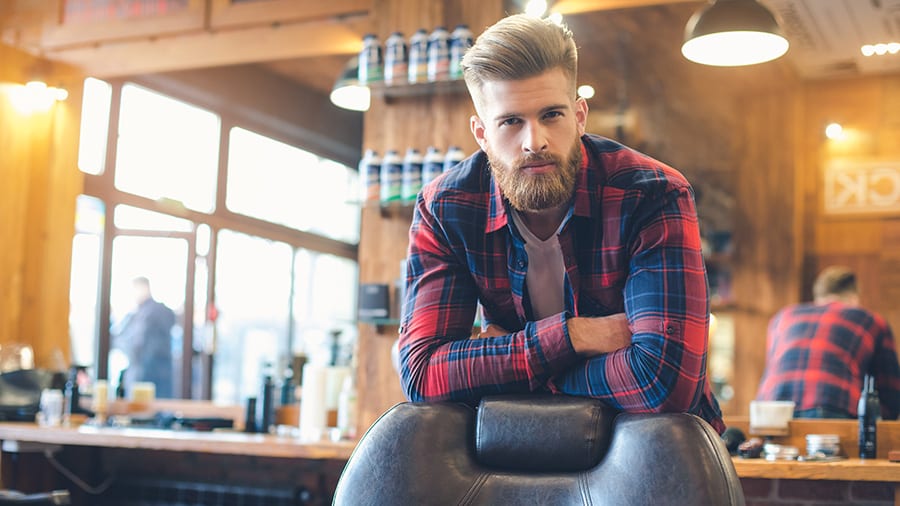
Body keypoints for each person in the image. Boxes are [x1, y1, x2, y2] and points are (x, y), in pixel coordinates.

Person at [397, 14, 724, 433]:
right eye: (511, 121)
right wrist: (575, 336)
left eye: (551, 114)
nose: (535, 141)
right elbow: (423, 376)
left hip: (651, 457)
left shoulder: (653, 193)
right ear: (481, 133)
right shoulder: (447, 208)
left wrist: (505, 365)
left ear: (580, 115)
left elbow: (665, 382)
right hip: (518, 451)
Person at [755, 266, 900, 419]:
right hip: (831, 404)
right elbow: (890, 389)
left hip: (769, 411)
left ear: (818, 297)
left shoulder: (782, 317)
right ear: (853, 297)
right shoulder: (869, 320)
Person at [112, 276, 175, 399]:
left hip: (149, 374)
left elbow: (136, 343)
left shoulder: (154, 311)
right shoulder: (136, 314)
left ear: (144, 288)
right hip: (145, 373)